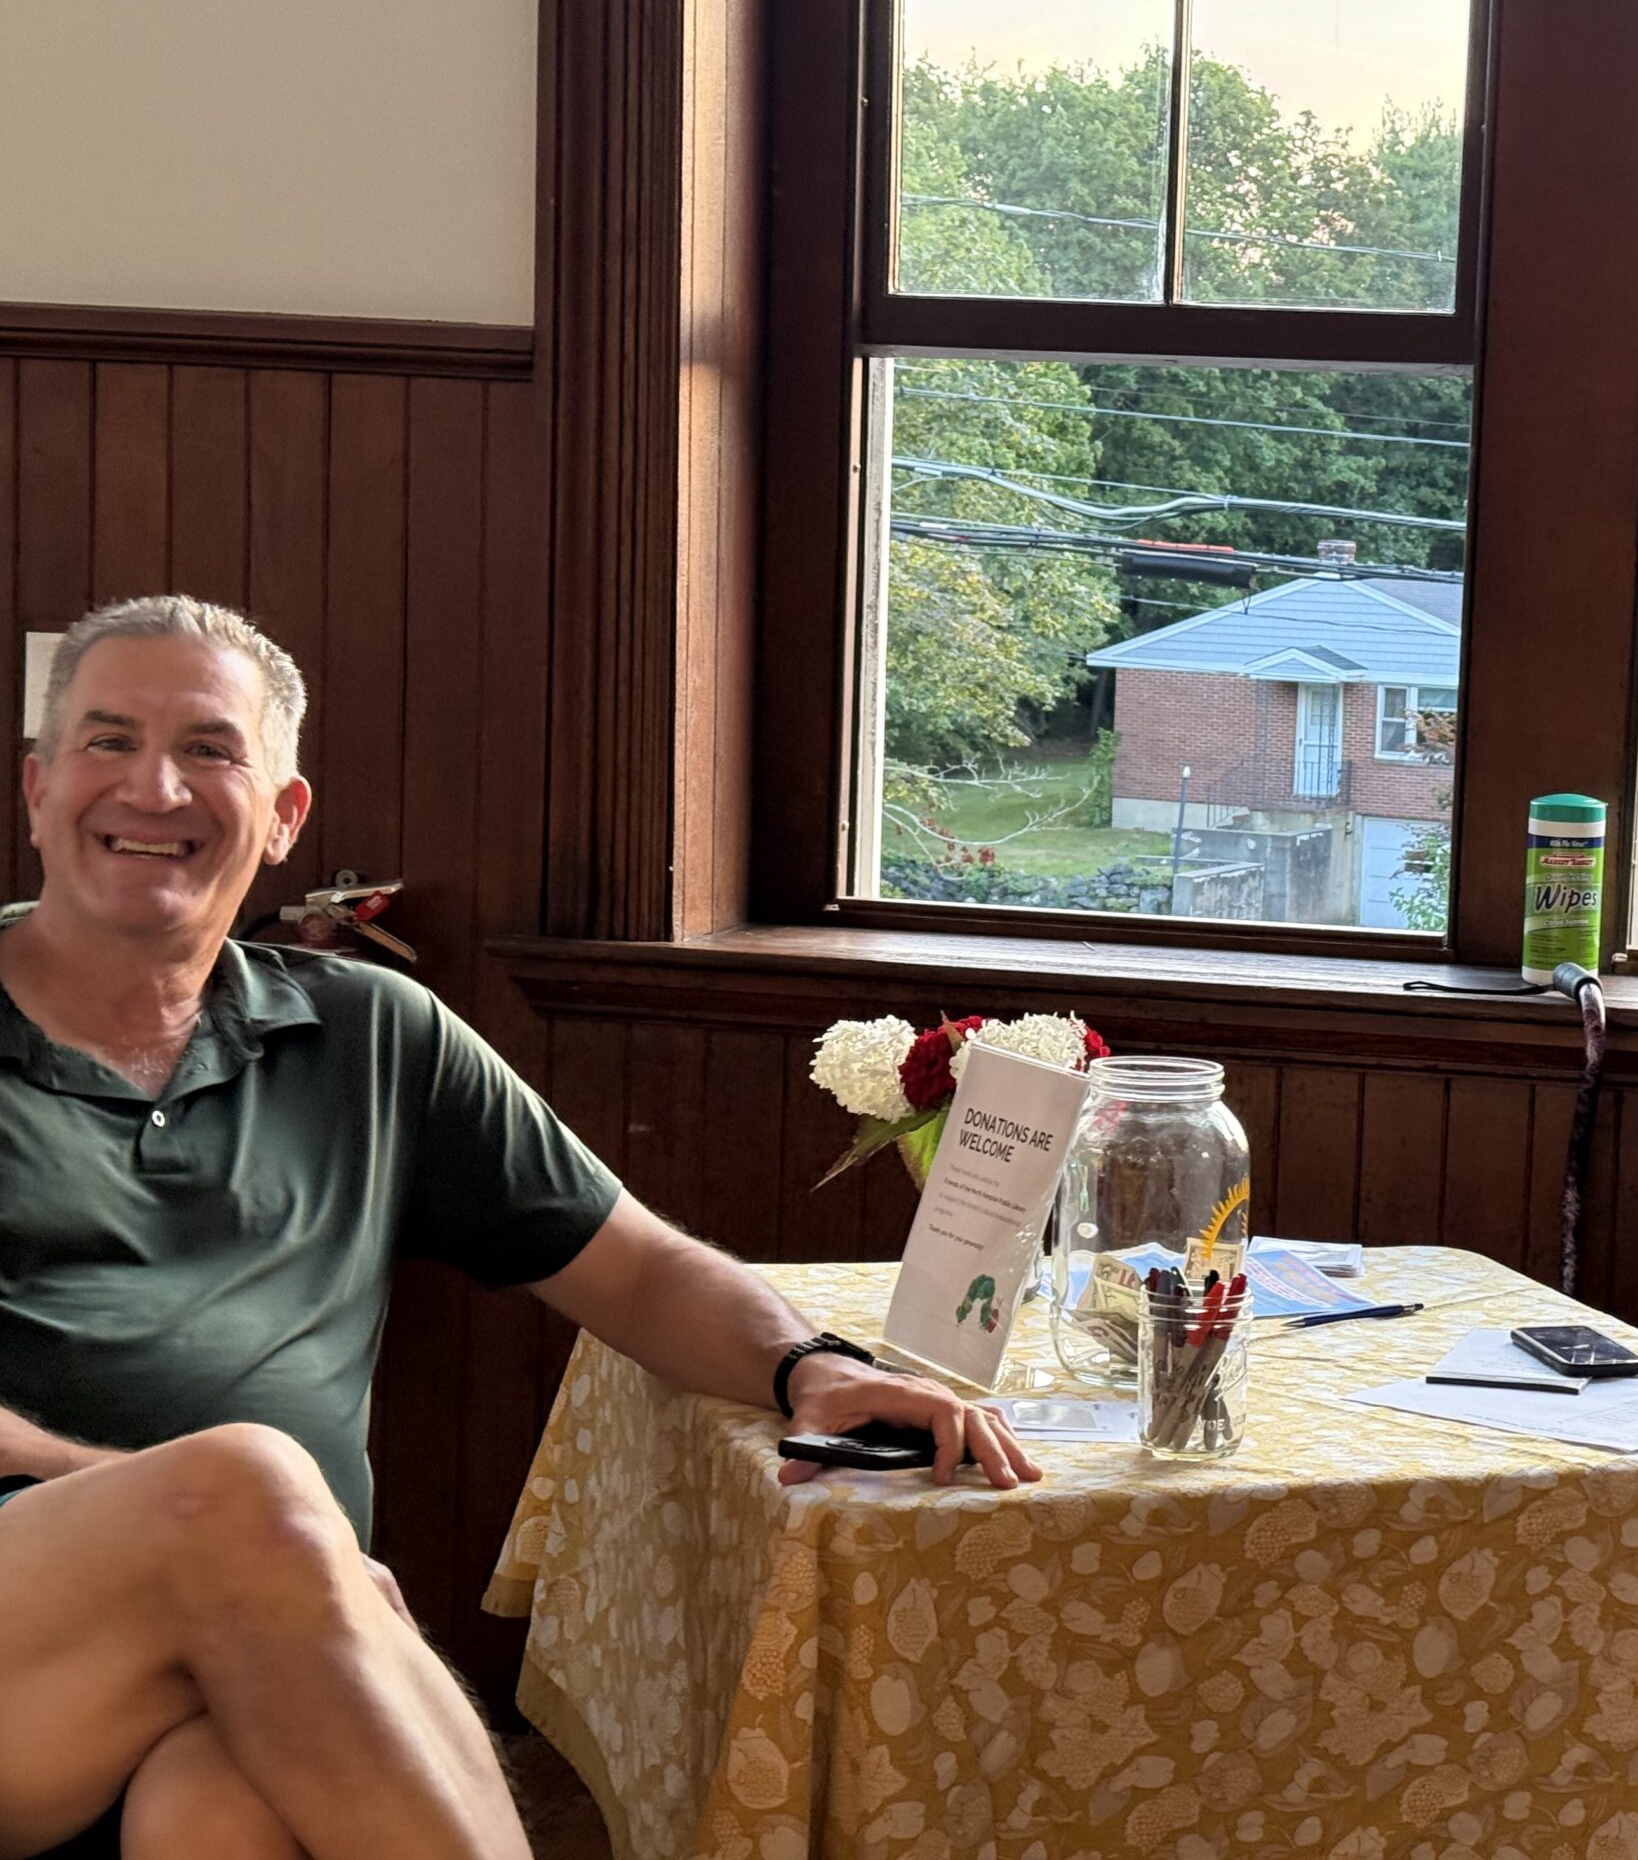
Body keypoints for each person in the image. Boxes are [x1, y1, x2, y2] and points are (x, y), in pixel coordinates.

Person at [0, 596, 1042, 1860]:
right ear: (40, 787)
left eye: (211, 750)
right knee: (248, 1484)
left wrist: (808, 1366)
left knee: (217, 1813)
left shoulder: (370, 1034)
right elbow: (226, 1514)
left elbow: (634, 1263)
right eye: (108, 741)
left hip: (248, 1651)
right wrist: (236, 1543)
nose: (152, 785)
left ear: (282, 818)